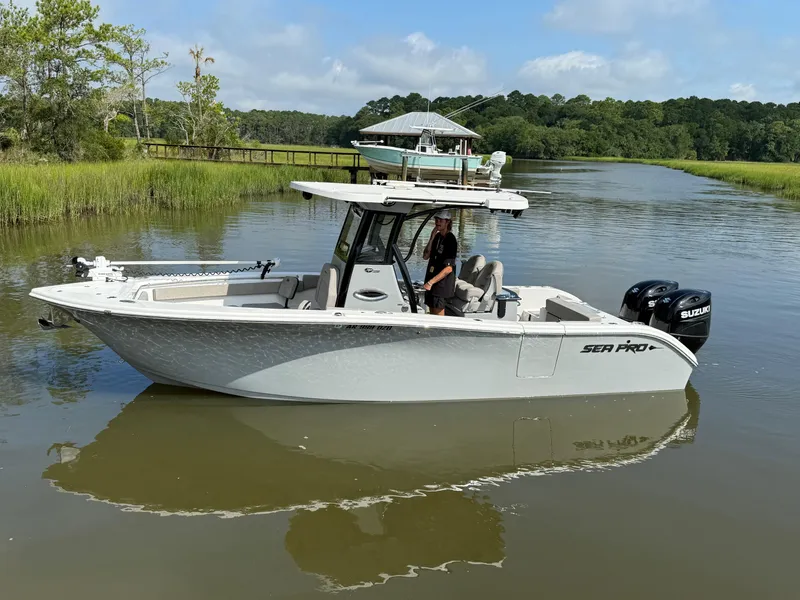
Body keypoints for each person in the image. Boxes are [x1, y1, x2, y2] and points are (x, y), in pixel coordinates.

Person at [422, 209, 458, 315]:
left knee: (437, 314)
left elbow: (448, 268)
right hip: (432, 280)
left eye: (440, 220)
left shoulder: (450, 240)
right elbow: (425, 256)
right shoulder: (437, 237)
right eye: (436, 220)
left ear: (447, 222)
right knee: (431, 311)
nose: (437, 222)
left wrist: (431, 282)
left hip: (441, 285)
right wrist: (432, 237)